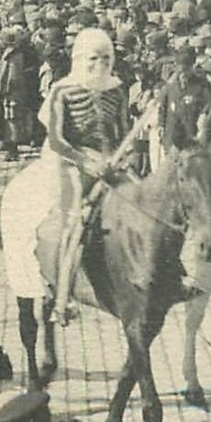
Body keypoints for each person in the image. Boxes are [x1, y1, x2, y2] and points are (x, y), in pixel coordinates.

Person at [43, 28, 133, 322]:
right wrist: (86, 161)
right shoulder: (63, 90)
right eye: (94, 58)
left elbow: (123, 131)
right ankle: (63, 297)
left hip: (111, 163)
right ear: (81, 59)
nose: (101, 64)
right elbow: (57, 140)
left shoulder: (117, 90)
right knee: (75, 223)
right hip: (75, 165)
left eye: (107, 58)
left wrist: (122, 157)